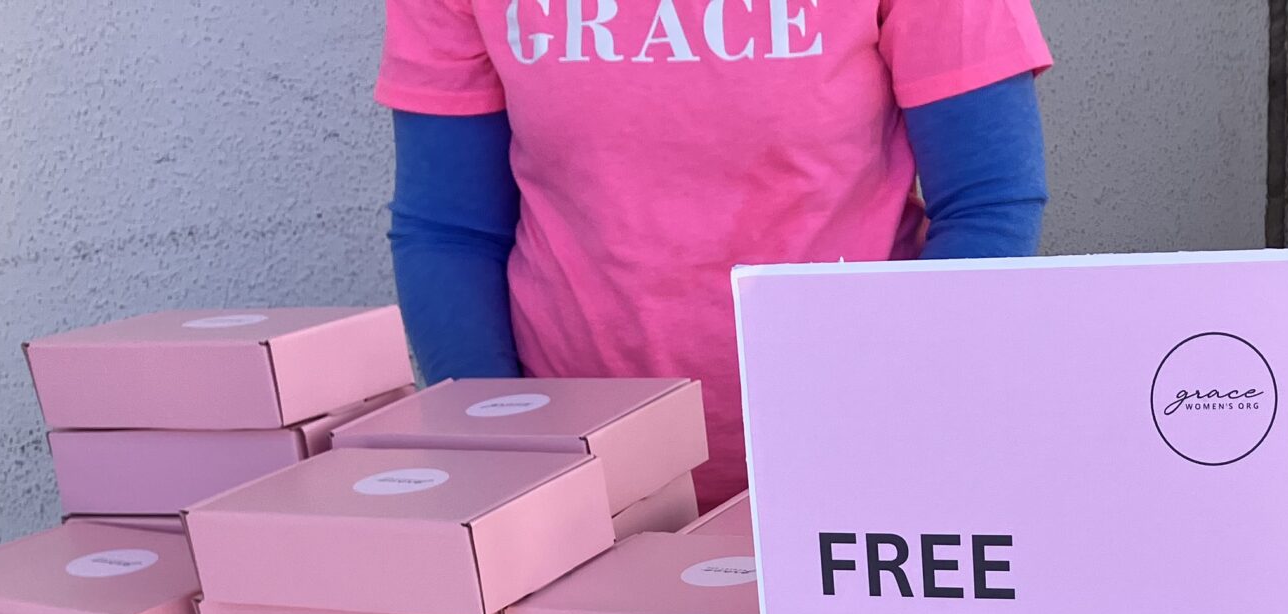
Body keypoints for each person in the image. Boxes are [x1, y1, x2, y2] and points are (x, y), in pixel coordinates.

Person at [377, 1, 1054, 503]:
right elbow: (450, 231)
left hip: (860, 474)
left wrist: (890, 436)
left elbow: (988, 203)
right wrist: (508, 462)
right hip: (573, 484)